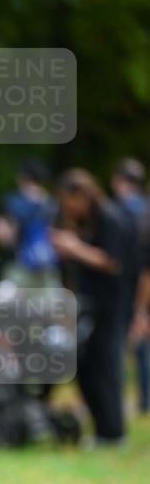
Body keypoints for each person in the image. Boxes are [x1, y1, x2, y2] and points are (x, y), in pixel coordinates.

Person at [52, 169, 132, 445]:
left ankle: (113, 432)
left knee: (105, 366)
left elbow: (113, 261)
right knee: (85, 367)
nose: (67, 207)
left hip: (109, 305)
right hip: (86, 304)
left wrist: (74, 247)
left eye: (69, 201)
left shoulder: (110, 218)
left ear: (83, 195)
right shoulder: (83, 221)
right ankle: (100, 430)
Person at [0, 158, 60, 289]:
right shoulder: (53, 203)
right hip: (48, 269)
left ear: (23, 177)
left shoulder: (15, 201)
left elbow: (7, 237)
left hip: (20, 269)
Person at [111, 158, 150, 414]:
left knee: (116, 343)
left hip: (123, 286)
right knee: (142, 345)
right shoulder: (146, 208)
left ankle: (117, 399)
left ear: (118, 180)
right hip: (145, 284)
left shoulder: (115, 210)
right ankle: (145, 400)